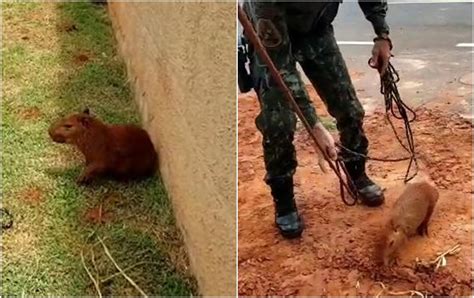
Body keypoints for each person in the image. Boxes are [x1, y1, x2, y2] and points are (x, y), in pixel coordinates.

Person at [240, 1, 392, 238]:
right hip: (269, 38)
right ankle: (284, 200)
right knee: (278, 123)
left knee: (350, 109)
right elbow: (280, 69)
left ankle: (357, 174)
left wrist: (382, 34)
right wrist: (314, 126)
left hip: (316, 32)